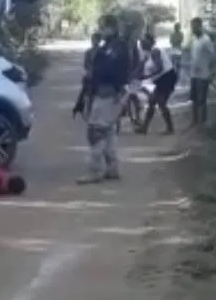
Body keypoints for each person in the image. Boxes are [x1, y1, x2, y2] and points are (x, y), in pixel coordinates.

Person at [77, 14, 130, 184]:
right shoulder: (114, 46)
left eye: (103, 27)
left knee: (96, 130)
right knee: (108, 131)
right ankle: (112, 167)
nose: (101, 30)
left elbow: (107, 71)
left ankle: (95, 170)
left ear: (112, 28)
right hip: (112, 94)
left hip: (108, 93)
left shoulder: (113, 48)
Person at [138, 33, 178, 135]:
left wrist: (146, 77)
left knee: (160, 102)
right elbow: (140, 67)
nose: (141, 43)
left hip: (167, 77)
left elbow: (159, 68)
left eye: (143, 41)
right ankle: (145, 127)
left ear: (150, 42)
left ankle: (170, 128)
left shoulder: (155, 51)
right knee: (152, 102)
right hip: (162, 79)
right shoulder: (148, 53)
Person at [189, 17, 216, 127]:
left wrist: (211, 69)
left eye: (195, 27)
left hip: (203, 74)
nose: (193, 29)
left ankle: (203, 121)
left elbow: (212, 55)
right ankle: (195, 121)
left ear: (200, 26)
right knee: (194, 99)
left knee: (202, 99)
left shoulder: (206, 40)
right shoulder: (195, 40)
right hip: (194, 74)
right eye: (192, 27)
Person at [72, 31, 101, 119]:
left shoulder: (102, 51)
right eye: (93, 40)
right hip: (90, 75)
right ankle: (80, 106)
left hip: (99, 75)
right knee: (84, 90)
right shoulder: (88, 52)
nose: (93, 41)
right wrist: (90, 70)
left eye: (95, 40)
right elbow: (86, 64)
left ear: (99, 41)